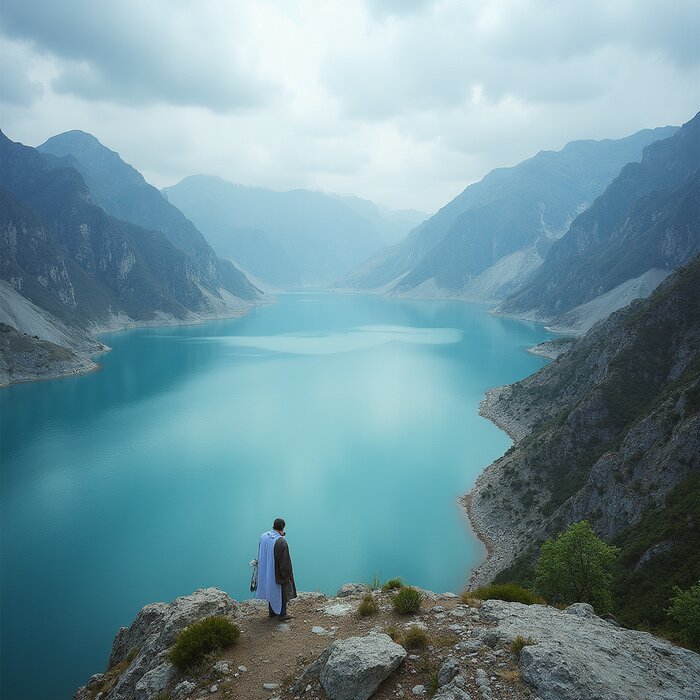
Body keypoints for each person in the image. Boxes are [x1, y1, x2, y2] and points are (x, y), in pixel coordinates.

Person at [255, 517, 297, 620]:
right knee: (281, 593)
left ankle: (272, 612)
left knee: (270, 590)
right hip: (277, 573)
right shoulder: (281, 542)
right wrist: (287, 575)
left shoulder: (263, 536)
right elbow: (285, 562)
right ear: (282, 527)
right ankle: (282, 614)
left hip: (266, 571)